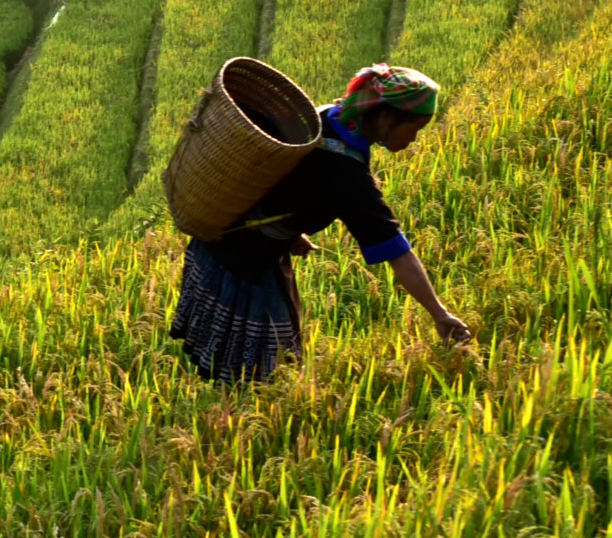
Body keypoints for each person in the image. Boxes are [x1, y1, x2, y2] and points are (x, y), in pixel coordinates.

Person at [170, 62, 472, 382]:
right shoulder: (348, 175)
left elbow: (286, 177)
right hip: (245, 259)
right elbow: (397, 251)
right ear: (386, 119)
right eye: (414, 129)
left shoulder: (329, 116)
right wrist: (439, 314)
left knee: (250, 359)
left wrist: (290, 230)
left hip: (224, 234)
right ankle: (244, 419)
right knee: (268, 369)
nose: (414, 139)